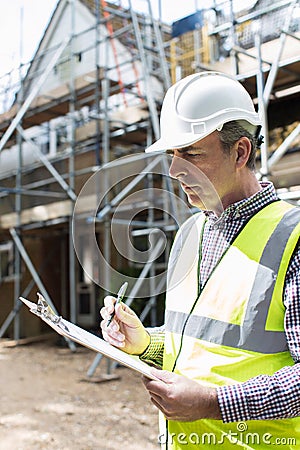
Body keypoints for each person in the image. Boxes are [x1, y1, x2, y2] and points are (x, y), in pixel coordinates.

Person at [100, 72, 300, 449]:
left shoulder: (293, 238)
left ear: (240, 152)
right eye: (173, 155)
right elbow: (196, 345)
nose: (175, 171)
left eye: (191, 154)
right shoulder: (191, 233)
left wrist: (212, 403)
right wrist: (144, 343)